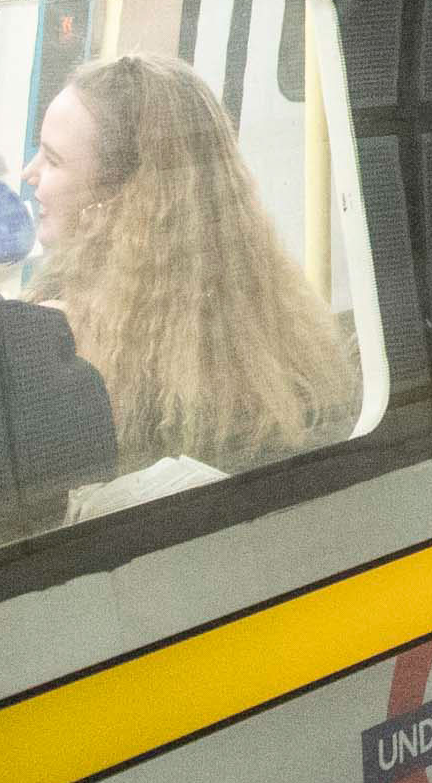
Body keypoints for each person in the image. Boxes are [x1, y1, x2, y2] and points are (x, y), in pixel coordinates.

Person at [25, 53, 363, 503]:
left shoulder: (90, 359)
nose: (29, 173)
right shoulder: (277, 330)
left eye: (52, 160)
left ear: (122, 199)